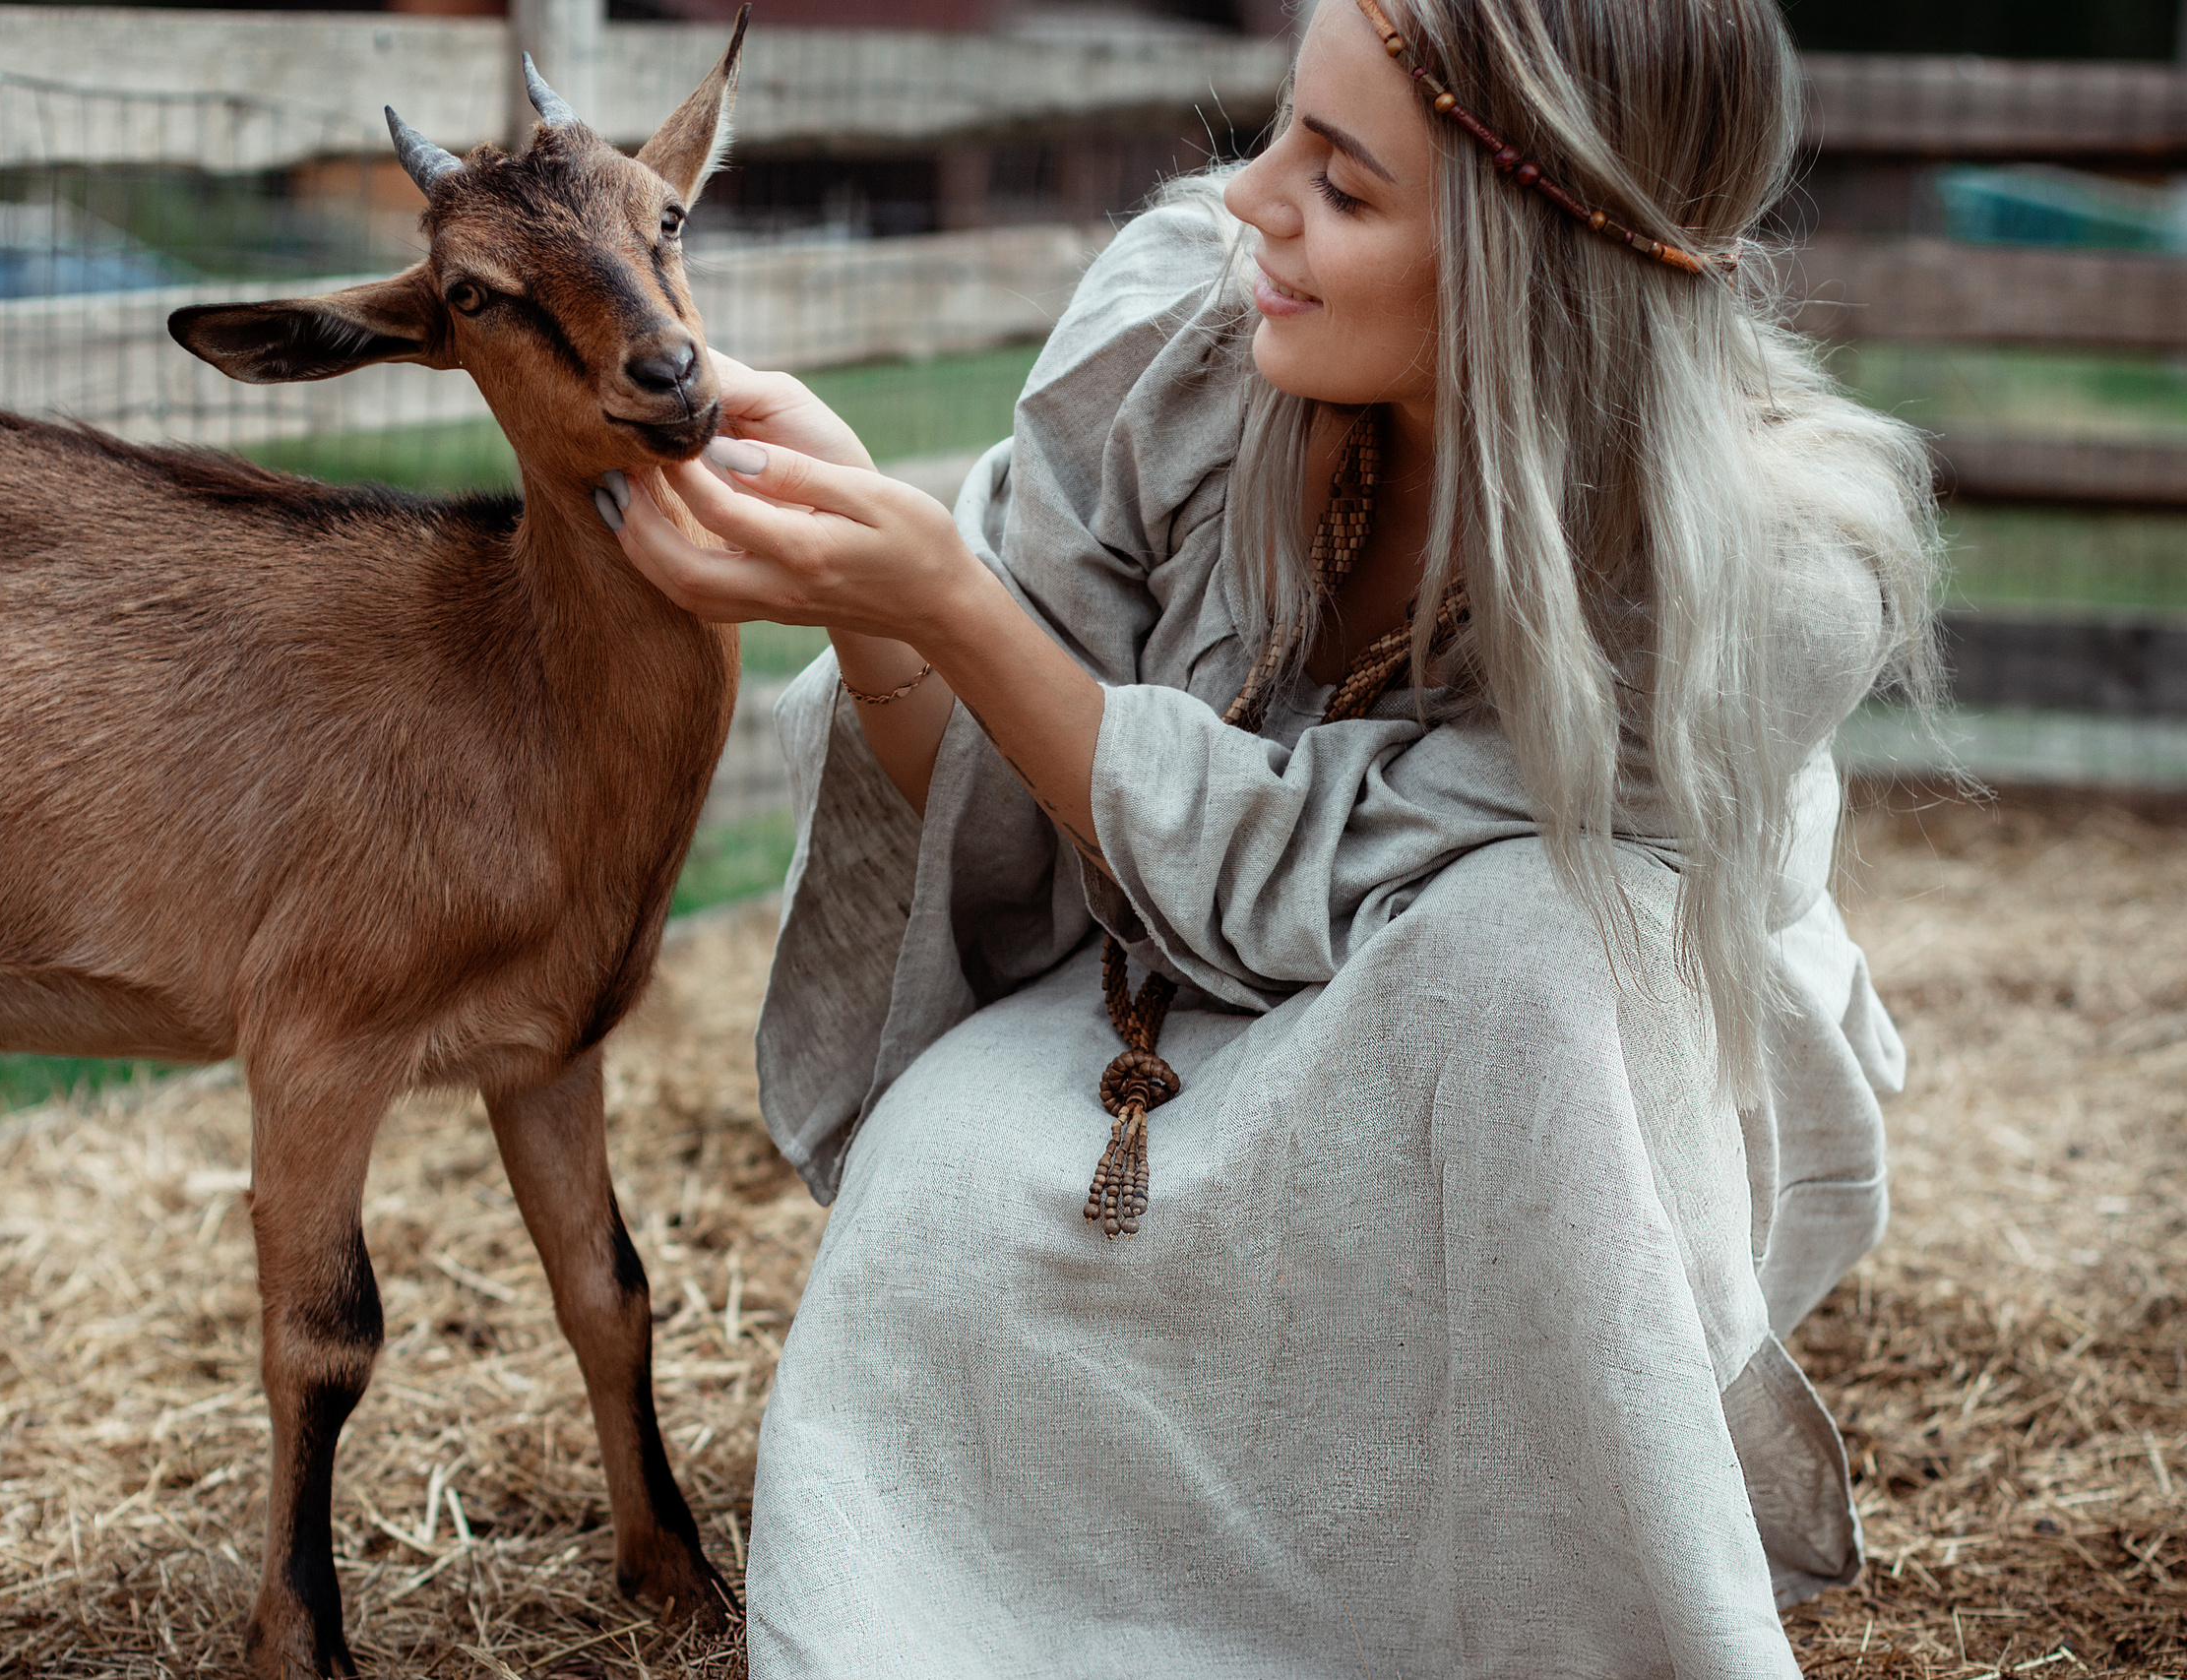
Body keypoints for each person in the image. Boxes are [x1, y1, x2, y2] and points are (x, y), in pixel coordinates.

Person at [601, 0, 1937, 1669]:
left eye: (1345, 185)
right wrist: (886, 610)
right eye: (1279, 132)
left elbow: (1328, 891)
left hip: (1533, 1072)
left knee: (1534, 940)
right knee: (936, 1203)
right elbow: (1007, 814)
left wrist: (950, 596)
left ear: (1528, 271)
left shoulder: (1763, 578)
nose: (1250, 202)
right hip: (1139, 963)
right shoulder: (1189, 323)